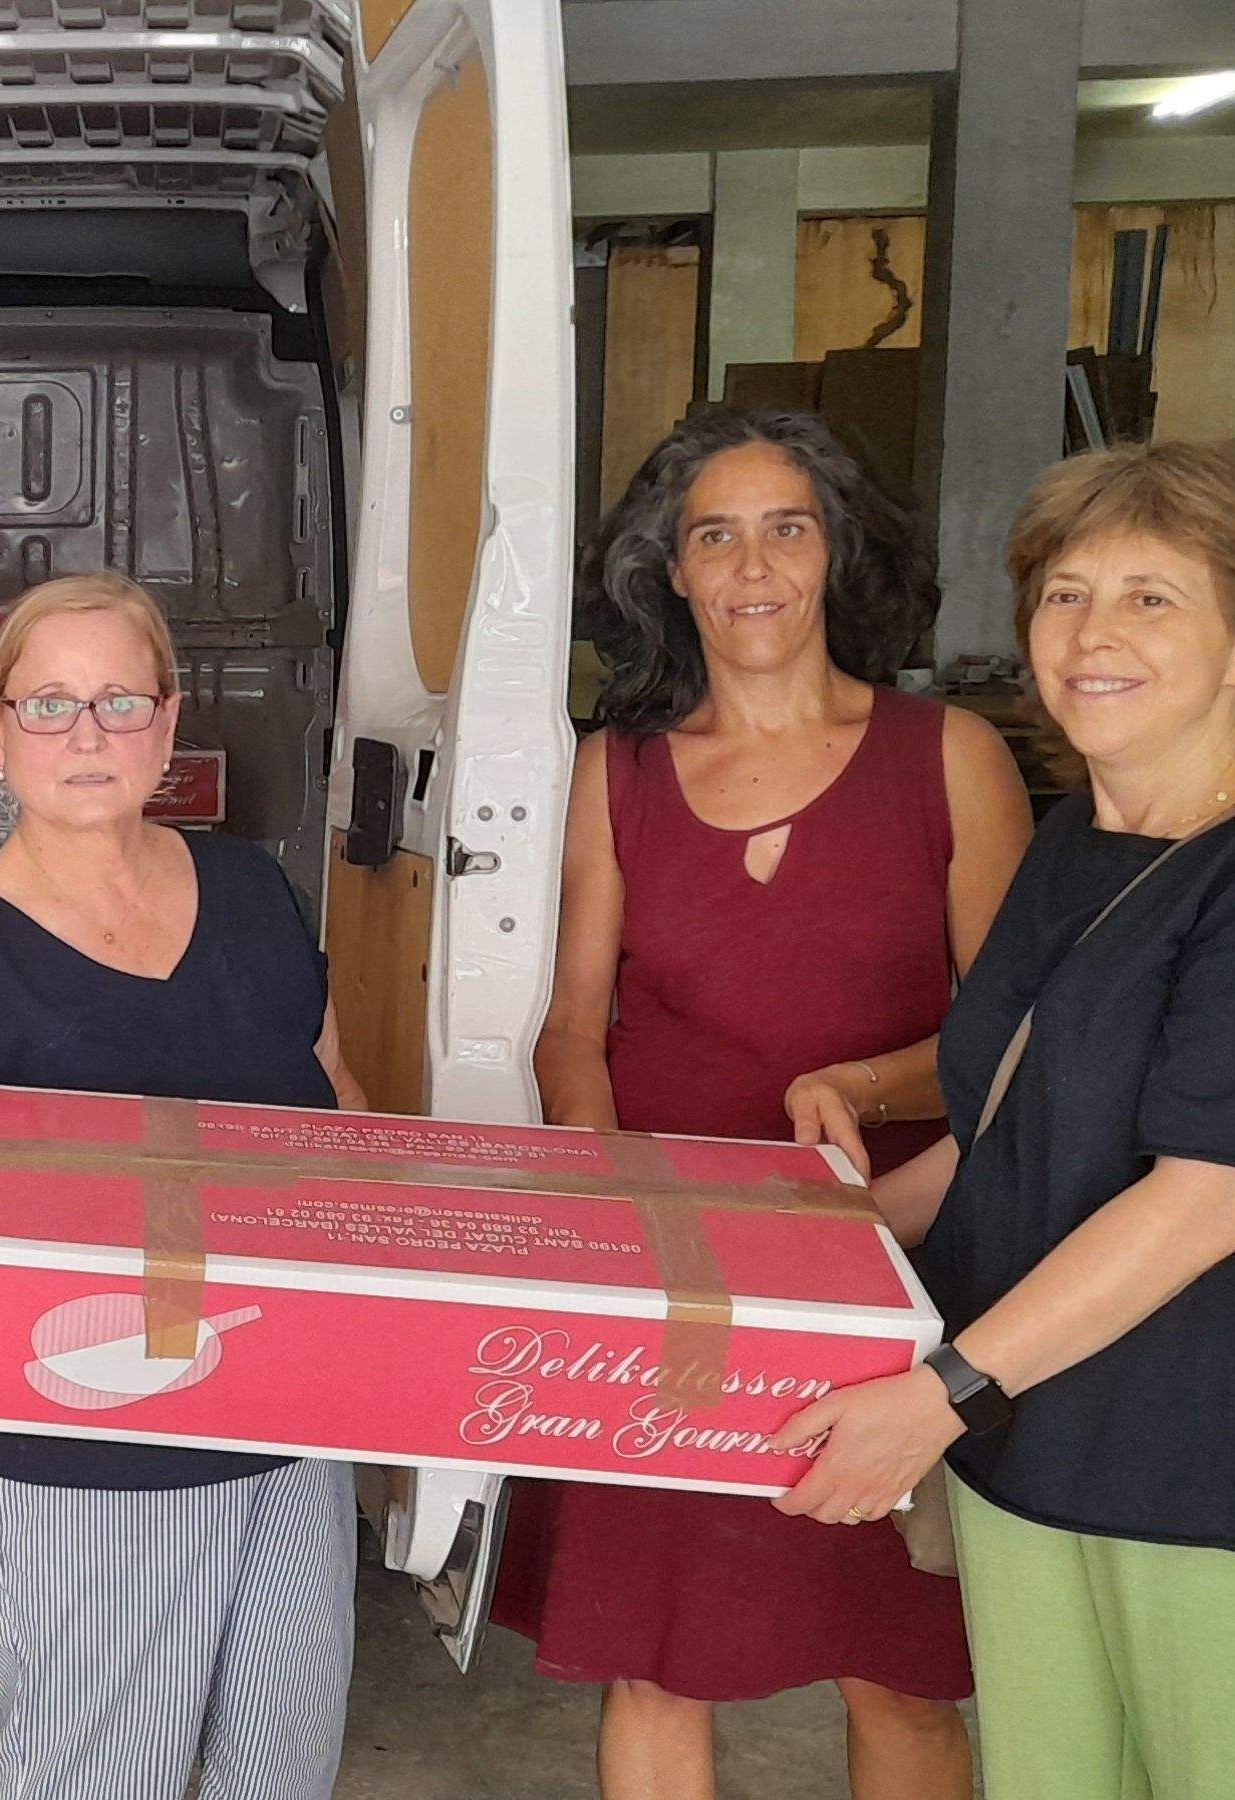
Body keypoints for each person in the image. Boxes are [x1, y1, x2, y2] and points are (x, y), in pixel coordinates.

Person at [775, 438, 1235, 1800]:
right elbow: (1007, 1137)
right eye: (1065, 594)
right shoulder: (1075, 845)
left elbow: (1214, 1196)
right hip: (1046, 1438)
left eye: (1151, 598)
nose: (1091, 634)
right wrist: (783, 1234)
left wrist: (940, 1394)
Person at [494, 411, 1032, 1800]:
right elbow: (574, 1026)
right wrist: (618, 1201)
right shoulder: (617, 771)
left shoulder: (949, 756)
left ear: (835, 551)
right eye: (714, 536)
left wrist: (866, 1098)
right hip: (667, 1271)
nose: (751, 568)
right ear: (668, 571)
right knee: (655, 1661)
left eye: (785, 529)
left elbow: (1016, 1043)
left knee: (898, 1668)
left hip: (884, 1255)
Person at [0, 571, 370, 1800]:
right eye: (47, 704)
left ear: (167, 720)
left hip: (284, 1425)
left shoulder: (253, 893)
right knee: (99, 1775)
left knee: (282, 1766)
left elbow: (337, 1113)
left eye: (119, 701)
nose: (86, 734)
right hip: (81, 1451)